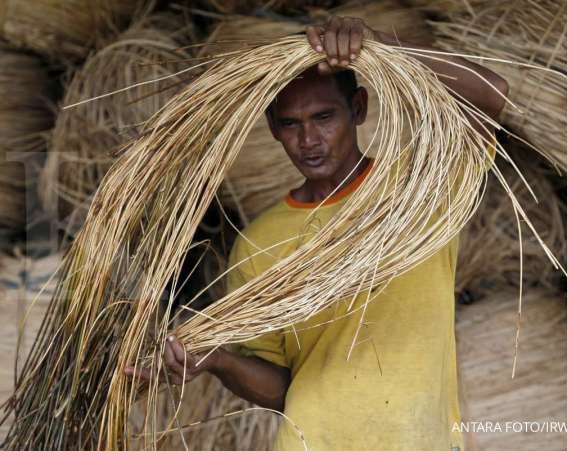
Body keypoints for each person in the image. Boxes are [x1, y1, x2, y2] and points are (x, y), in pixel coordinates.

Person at [126, 16, 508, 450]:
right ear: (273, 129)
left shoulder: (420, 189)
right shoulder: (259, 241)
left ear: (359, 109)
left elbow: (491, 94)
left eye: (324, 117)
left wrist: (384, 46)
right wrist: (218, 362)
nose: (309, 139)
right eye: (291, 123)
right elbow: (279, 386)